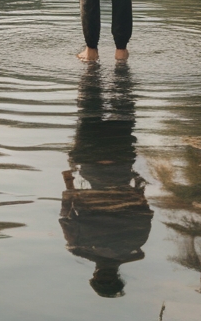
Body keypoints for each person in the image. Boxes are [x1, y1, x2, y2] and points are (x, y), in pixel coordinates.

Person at [59, 65, 152, 297]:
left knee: (123, 104)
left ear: (119, 277)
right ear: (94, 276)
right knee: (89, 106)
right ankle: (92, 69)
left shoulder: (136, 243)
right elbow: (66, 210)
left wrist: (130, 257)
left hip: (121, 162)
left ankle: (120, 70)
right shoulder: (78, 246)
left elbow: (144, 208)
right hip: (90, 162)